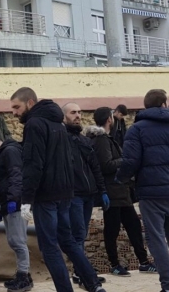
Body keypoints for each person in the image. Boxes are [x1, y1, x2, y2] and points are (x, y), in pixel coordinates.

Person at [10, 87, 105, 292]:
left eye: (17, 107)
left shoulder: (34, 124)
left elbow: (33, 163)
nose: (14, 112)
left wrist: (27, 198)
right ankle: (94, 284)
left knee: (50, 247)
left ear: (30, 103)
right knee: (68, 241)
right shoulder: (58, 124)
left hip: (47, 195)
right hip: (65, 193)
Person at [116, 89, 169, 292]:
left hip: (150, 193)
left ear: (146, 105)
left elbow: (130, 161)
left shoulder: (137, 129)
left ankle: (168, 286)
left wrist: (122, 179)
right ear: (163, 104)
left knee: (157, 239)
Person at [86, 108, 155, 277]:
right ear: (109, 119)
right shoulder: (101, 139)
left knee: (133, 225)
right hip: (112, 190)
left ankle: (144, 262)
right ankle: (115, 264)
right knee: (112, 229)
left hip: (120, 191)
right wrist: (126, 159)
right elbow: (106, 165)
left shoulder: (105, 138)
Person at [62, 103, 109, 285]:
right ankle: (82, 273)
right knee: (78, 234)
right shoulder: (63, 140)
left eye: (80, 112)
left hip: (89, 194)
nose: (78, 116)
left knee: (81, 234)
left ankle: (80, 272)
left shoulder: (84, 140)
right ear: (64, 116)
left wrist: (102, 190)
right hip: (73, 194)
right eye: (73, 112)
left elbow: (95, 167)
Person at [0, 132, 33, 292]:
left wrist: (13, 200)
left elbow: (16, 175)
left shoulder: (10, 152)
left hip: (15, 204)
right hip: (8, 203)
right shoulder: (4, 153)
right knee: (14, 240)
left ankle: (24, 276)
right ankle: (22, 274)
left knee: (18, 241)